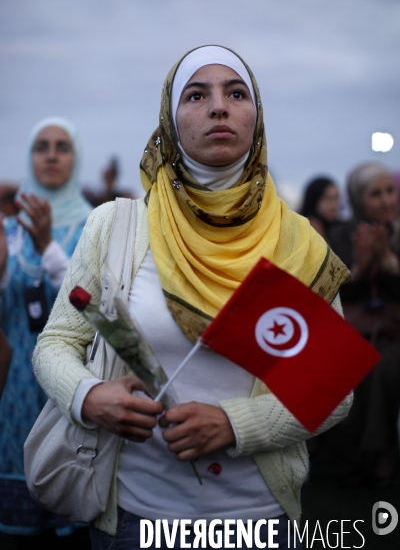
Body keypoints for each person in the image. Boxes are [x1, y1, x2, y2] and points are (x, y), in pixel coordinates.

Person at [33, 46, 352, 550]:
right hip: (137, 518)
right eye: (197, 94)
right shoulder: (116, 226)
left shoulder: (297, 242)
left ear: (257, 116)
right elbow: (55, 342)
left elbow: (332, 389)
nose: (218, 107)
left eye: (236, 93)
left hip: (261, 521)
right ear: (170, 118)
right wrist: (88, 397)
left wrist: (234, 424)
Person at [0, 117, 92, 547]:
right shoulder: (6, 231)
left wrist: (49, 251)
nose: (51, 155)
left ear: (75, 158)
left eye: (61, 146)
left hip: (69, 385)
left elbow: (97, 310)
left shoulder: (97, 229)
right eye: (41, 147)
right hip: (13, 387)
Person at [311, 162, 400, 488]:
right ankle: (343, 459)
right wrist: (361, 265)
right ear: (359, 198)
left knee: (383, 368)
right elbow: (328, 290)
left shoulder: (398, 232)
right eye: (375, 194)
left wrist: (388, 258)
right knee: (342, 363)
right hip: (350, 330)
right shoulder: (340, 235)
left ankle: (380, 456)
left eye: (389, 191)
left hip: (393, 334)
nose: (386, 200)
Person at [300, 177, 341, 242]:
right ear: (314, 200)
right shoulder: (298, 229)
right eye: (329, 198)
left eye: (337, 198)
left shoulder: (343, 232)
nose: (335, 205)